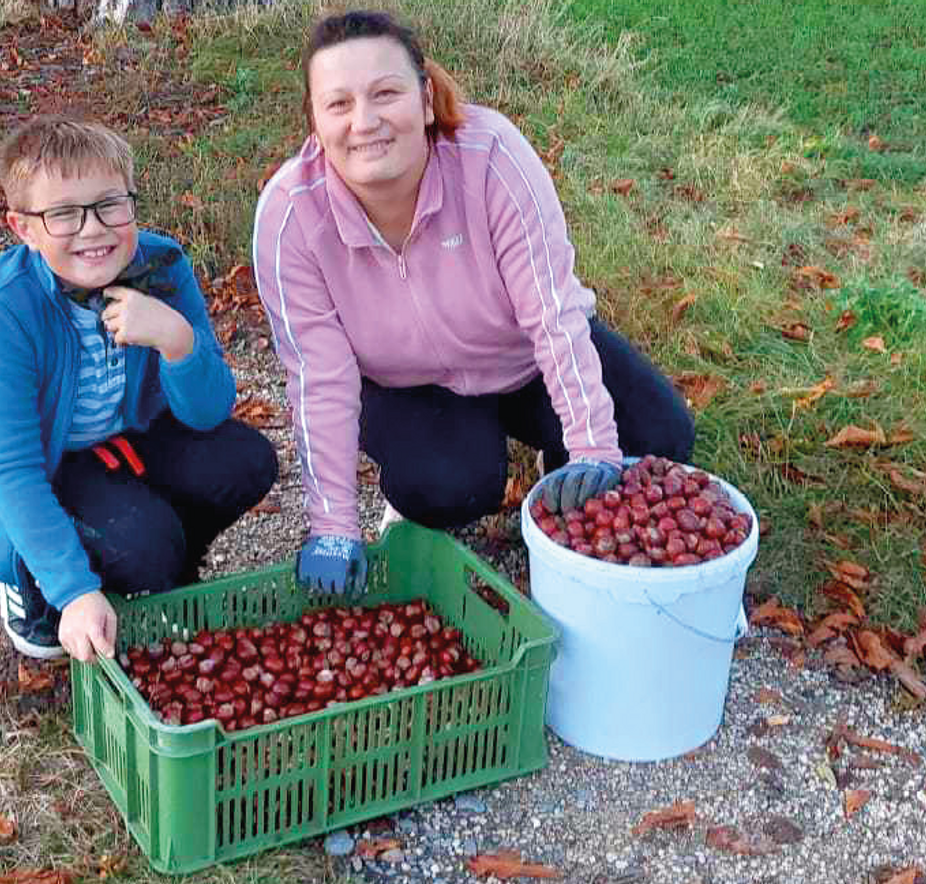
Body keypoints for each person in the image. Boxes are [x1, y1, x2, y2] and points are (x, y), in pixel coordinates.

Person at [252, 10, 694, 595]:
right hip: (407, 384)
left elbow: (554, 316)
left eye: (386, 93)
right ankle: (424, 494)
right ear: (314, 120)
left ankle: (555, 465)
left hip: (522, 361)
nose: (365, 121)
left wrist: (591, 446)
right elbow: (319, 376)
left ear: (426, 98)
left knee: (660, 432)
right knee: (446, 486)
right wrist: (333, 524)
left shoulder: (490, 156)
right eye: (339, 104)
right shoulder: (289, 215)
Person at [0, 116, 278, 662]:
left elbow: (209, 411)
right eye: (63, 214)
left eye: (109, 205)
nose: (93, 229)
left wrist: (177, 342)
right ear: (23, 227)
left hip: (125, 437)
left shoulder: (162, 264)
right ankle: (35, 586)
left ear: (132, 202)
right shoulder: (4, 306)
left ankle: (157, 565)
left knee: (246, 461)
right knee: (139, 546)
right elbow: (11, 468)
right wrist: (73, 591)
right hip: (47, 461)